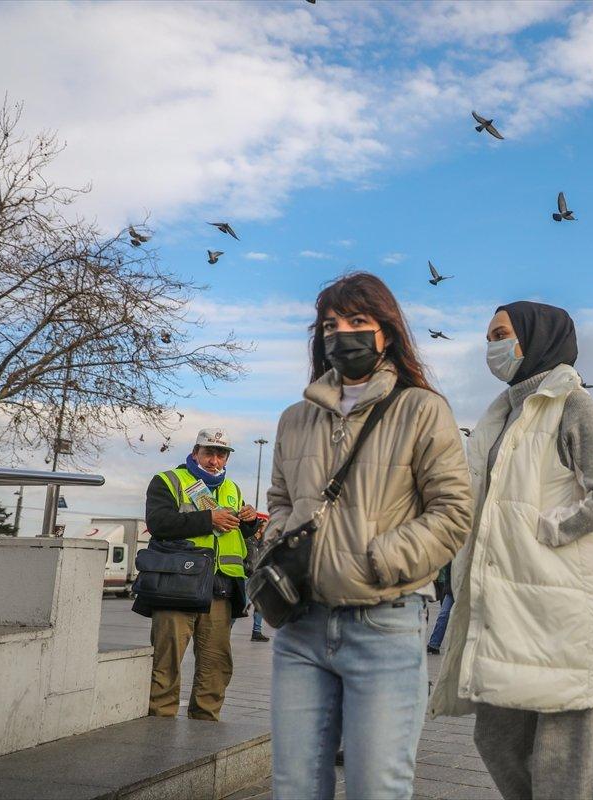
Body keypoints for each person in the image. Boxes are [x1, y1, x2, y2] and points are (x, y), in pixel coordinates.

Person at [266, 273, 472, 800]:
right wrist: (276, 546)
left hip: (382, 624)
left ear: (386, 332)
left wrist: (377, 559)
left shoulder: (422, 409)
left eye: (358, 321)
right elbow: (282, 502)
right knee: (293, 786)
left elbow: (452, 512)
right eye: (331, 325)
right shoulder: (295, 419)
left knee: (375, 787)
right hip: (300, 628)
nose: (343, 334)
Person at [430, 301, 593, 800]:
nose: (491, 346)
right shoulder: (502, 413)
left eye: (500, 333)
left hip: (560, 605)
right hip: (507, 604)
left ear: (535, 337)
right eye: (489, 336)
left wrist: (540, 531)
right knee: (495, 737)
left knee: (564, 762)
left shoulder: (571, 401)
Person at [140, 429, 258, 720]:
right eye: (208, 453)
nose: (214, 460)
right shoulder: (169, 480)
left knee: (216, 665)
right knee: (166, 662)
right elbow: (158, 523)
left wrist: (249, 523)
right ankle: (159, 722)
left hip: (220, 590)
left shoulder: (233, 488)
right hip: (177, 586)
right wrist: (208, 519)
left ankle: (206, 724)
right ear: (195, 454)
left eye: (221, 454)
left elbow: (233, 537)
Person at [426, 562, 453, 656]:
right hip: (451, 590)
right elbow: (448, 572)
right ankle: (434, 644)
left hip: (465, 589)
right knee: (443, 615)